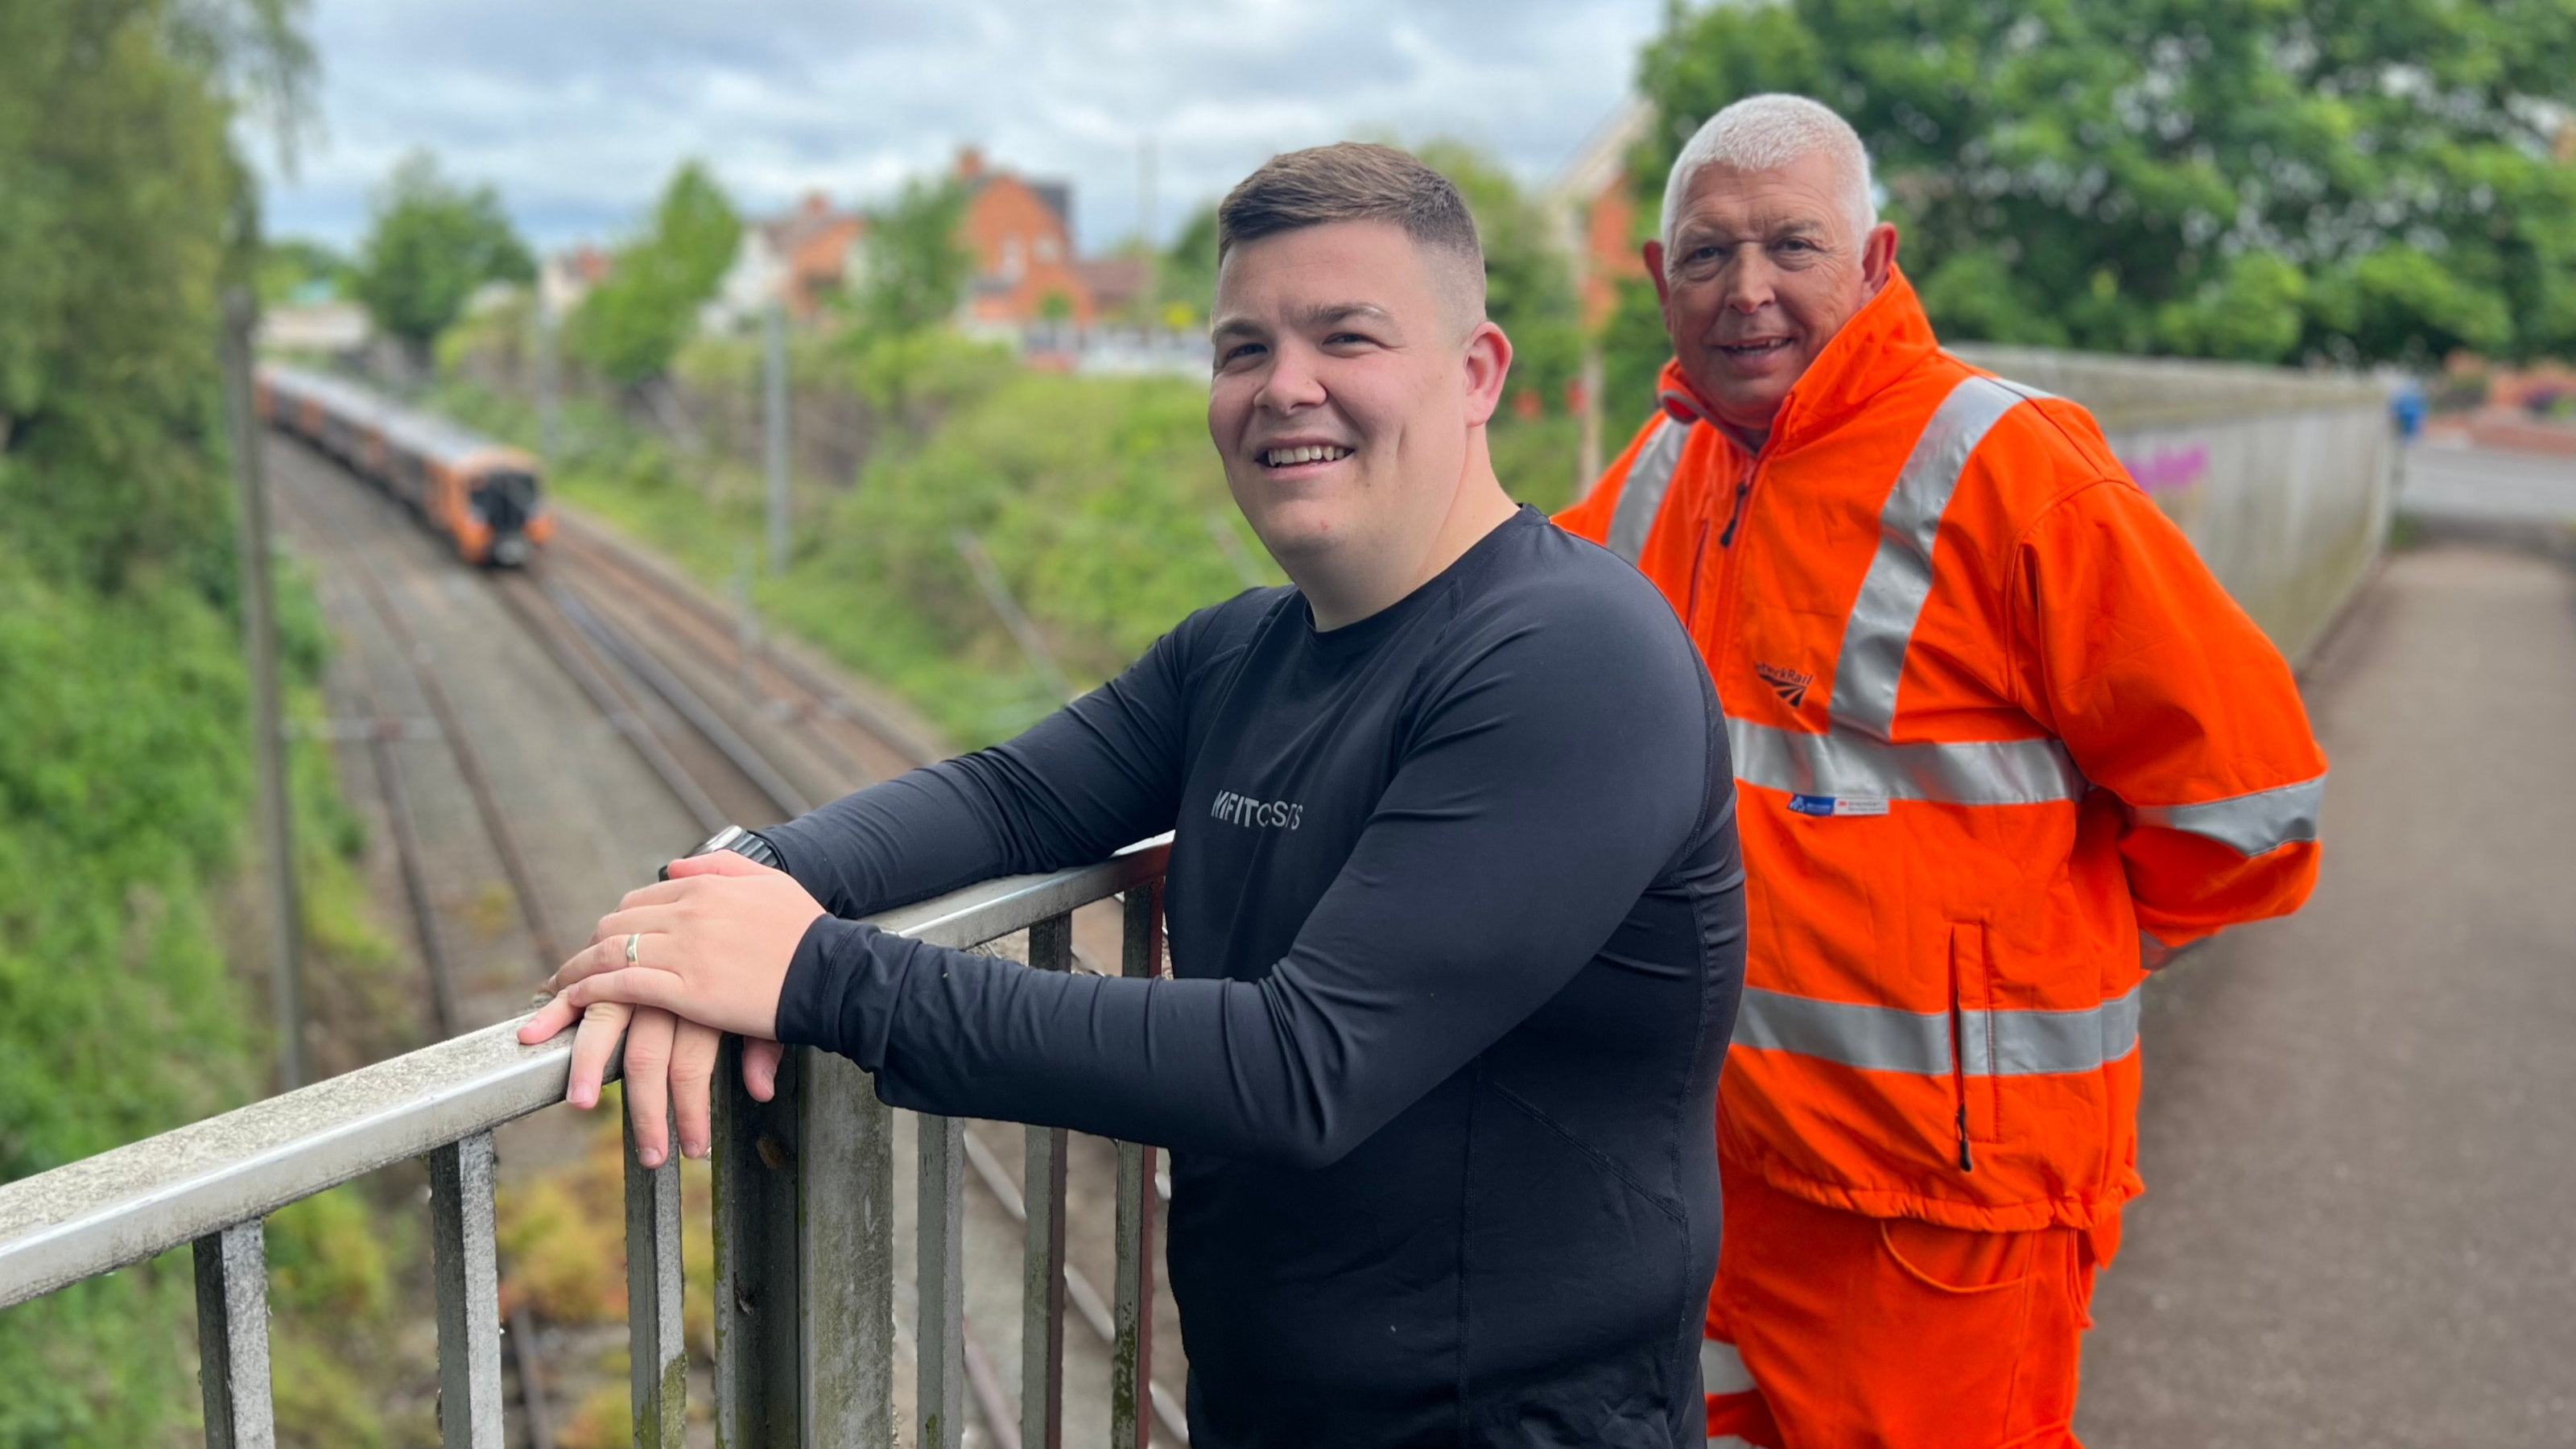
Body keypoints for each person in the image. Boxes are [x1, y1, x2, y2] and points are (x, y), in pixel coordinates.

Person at [523, 142, 1748, 1447]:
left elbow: (1303, 1065)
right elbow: (1008, 800)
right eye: (1242, 350)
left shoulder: (1572, 658)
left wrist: (811, 975)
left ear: (1478, 372)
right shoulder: (1239, 652)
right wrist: (734, 887)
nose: (1285, 387)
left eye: (1347, 337)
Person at [1554, 96, 2326, 1448]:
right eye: (1708, 254)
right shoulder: (1667, 468)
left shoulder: (2009, 466)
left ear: (1874, 259)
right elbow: (1514, 660)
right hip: (1714, 1174)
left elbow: (2252, 808)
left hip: (1936, 1212)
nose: (1747, 291)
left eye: (1792, 245)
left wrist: (2078, 945)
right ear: (1660, 278)